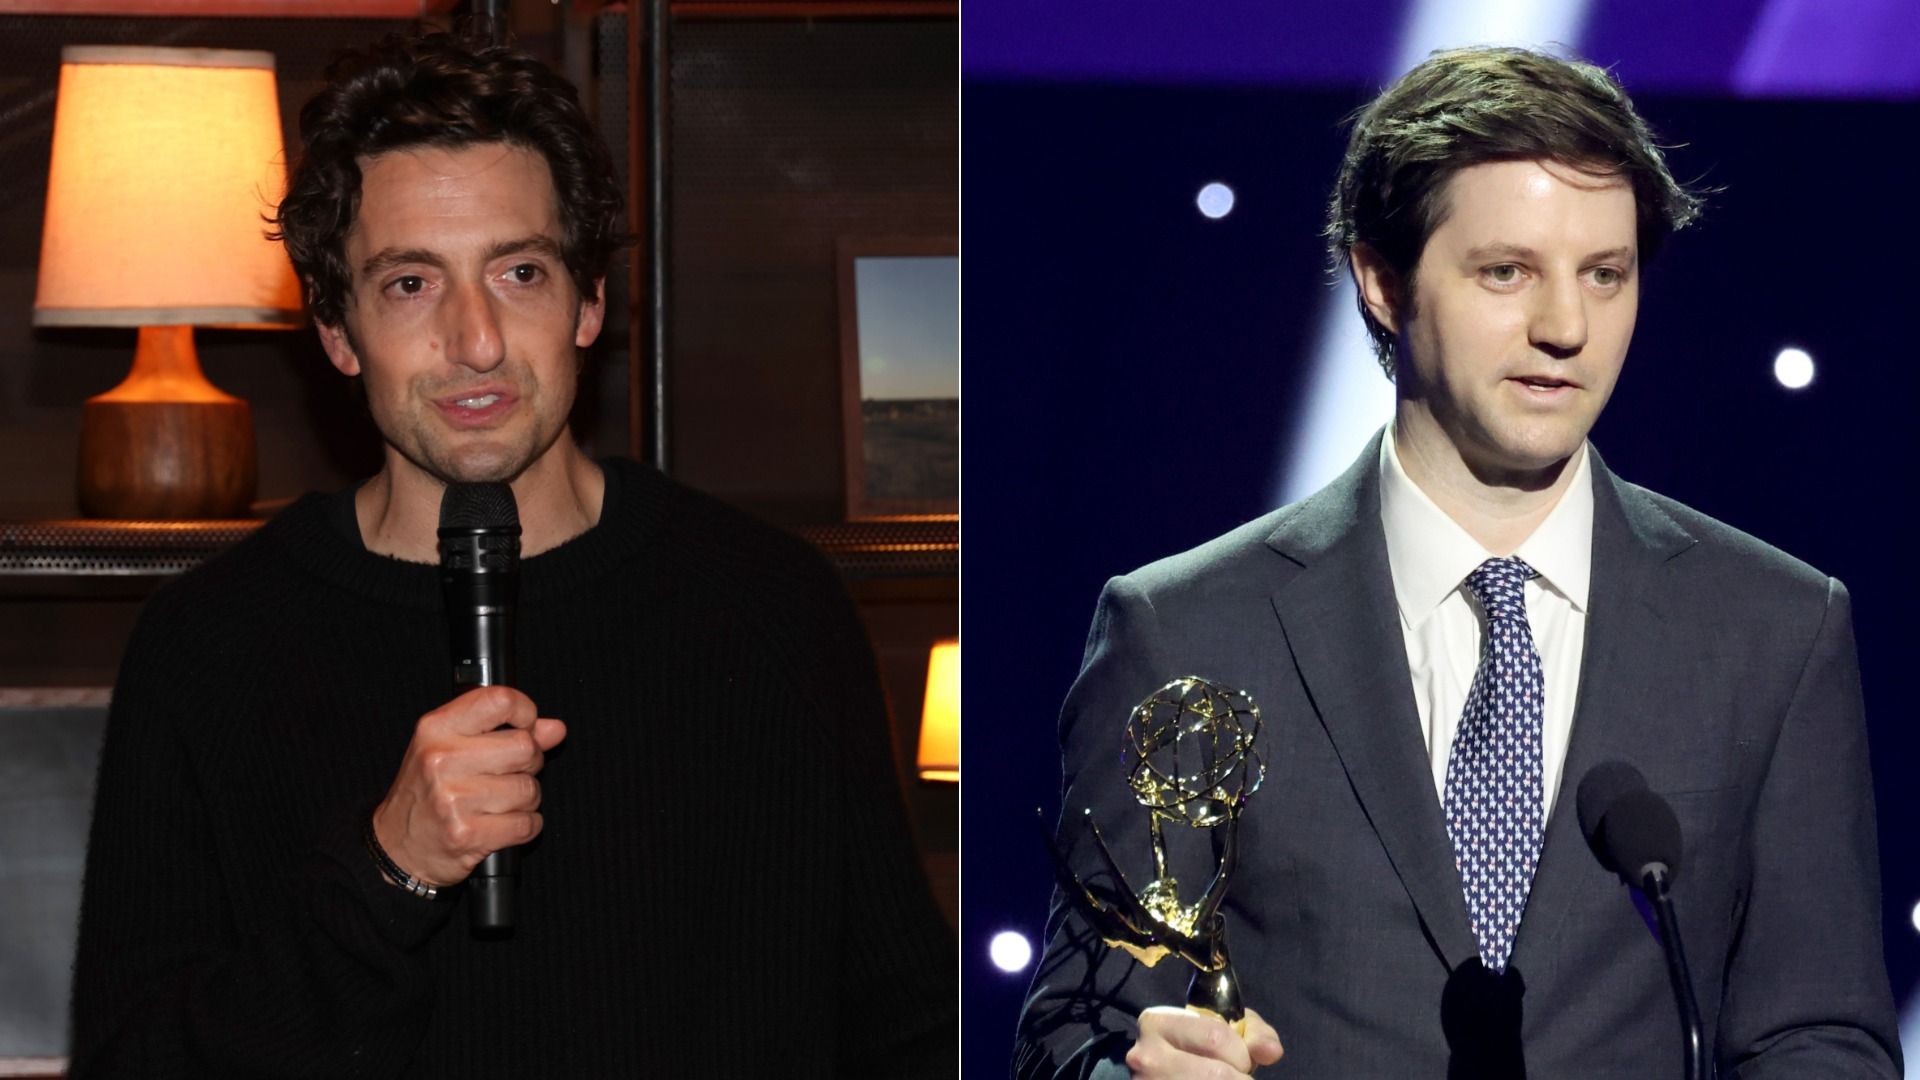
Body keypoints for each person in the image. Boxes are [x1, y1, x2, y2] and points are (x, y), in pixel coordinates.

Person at [68, 31, 955, 1078]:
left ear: (589, 302)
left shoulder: (769, 607)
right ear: (339, 333)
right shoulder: (210, 645)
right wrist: (387, 870)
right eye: (410, 285)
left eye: (520, 271)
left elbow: (907, 1031)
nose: (476, 340)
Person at [1015, 46, 1901, 1079]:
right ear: (1383, 282)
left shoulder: (1775, 629)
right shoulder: (1187, 629)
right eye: (1507, 271)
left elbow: (1821, 1036)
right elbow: (1074, 1032)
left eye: (1604, 276)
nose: (1566, 327)